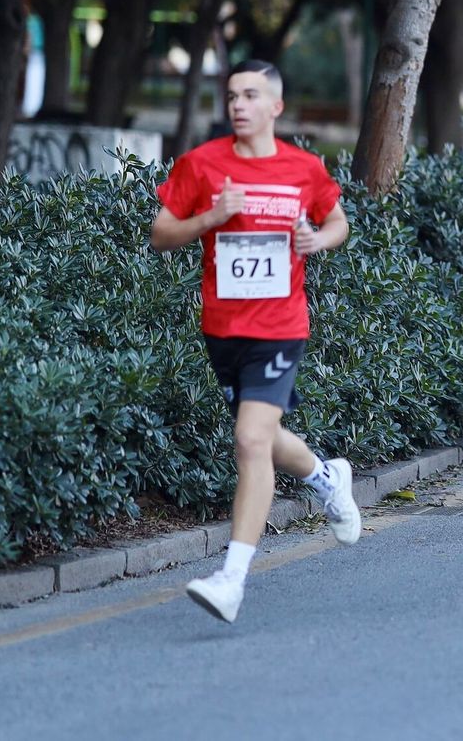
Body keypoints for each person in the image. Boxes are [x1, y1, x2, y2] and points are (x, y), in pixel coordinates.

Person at [151, 60, 360, 624]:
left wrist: (317, 239)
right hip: (223, 329)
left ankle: (231, 579)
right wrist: (211, 217)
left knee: (249, 439)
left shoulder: (303, 168)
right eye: (232, 96)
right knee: (263, 437)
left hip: (280, 327)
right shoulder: (202, 163)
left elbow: (338, 222)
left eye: (250, 95)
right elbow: (160, 234)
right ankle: (327, 477)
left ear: (276, 106)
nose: (238, 105)